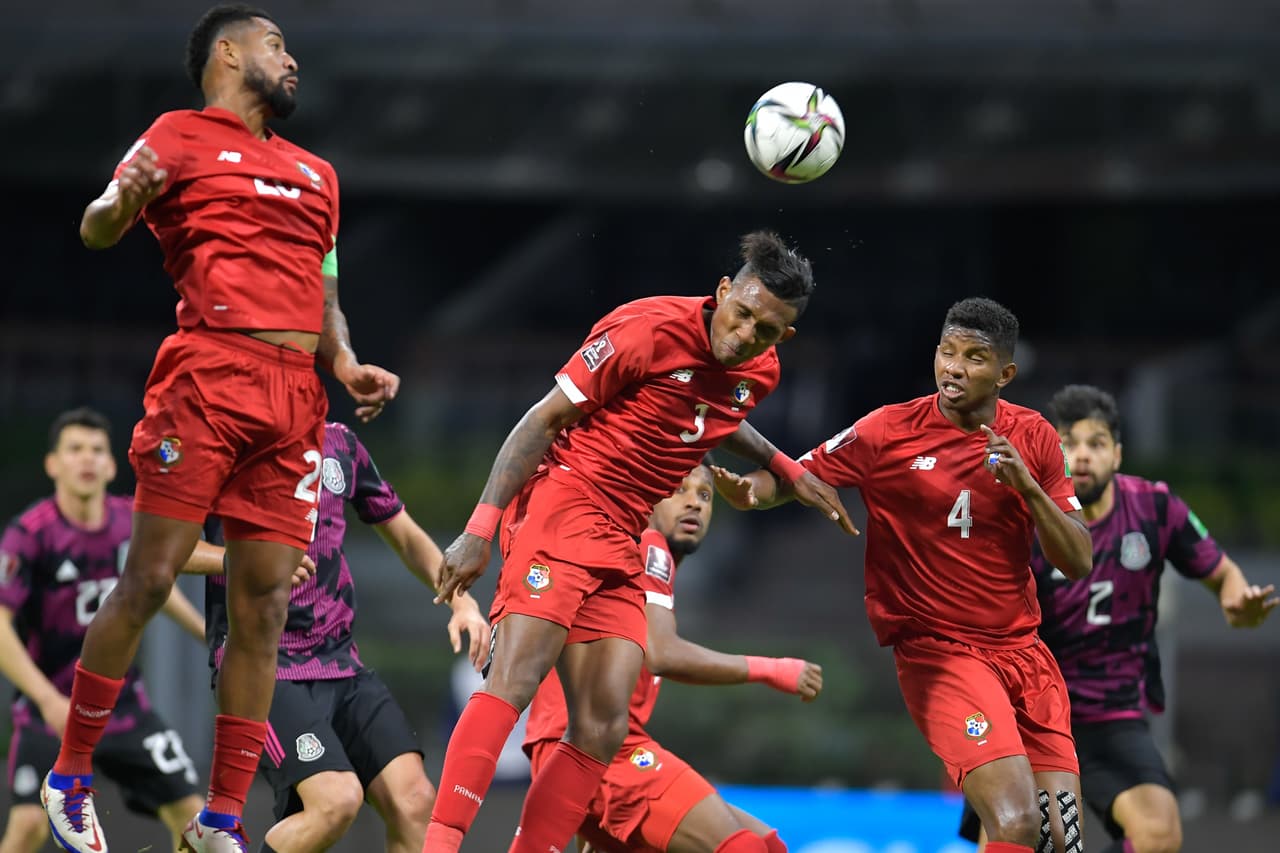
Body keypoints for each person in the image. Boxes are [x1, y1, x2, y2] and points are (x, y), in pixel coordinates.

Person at [44, 7, 400, 853]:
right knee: (151, 574)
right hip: (207, 379)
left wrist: (343, 363)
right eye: (278, 44)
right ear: (228, 52)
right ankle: (71, 775)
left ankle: (221, 818)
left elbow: (325, 292)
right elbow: (99, 227)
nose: (293, 60)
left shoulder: (319, 175)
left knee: (265, 605)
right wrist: (116, 200)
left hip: (295, 400)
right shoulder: (177, 135)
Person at [424, 230, 856, 853]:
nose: (745, 336)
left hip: (625, 532)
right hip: (565, 505)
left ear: (784, 336)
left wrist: (789, 470)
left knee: (603, 726)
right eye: (742, 316)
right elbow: (540, 420)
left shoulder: (760, 371)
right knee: (513, 682)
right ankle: (438, 845)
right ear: (723, 291)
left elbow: (718, 416)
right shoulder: (644, 329)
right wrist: (479, 530)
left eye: (765, 331)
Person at [715, 297, 1094, 853]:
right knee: (1016, 821)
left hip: (1025, 656)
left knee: (1063, 842)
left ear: (1005, 374)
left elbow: (1078, 559)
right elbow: (801, 474)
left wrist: (1029, 490)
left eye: (975, 357)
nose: (955, 367)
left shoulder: (1033, 438)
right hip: (942, 653)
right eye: (947, 352)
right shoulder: (888, 430)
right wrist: (750, 492)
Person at [957, 384, 1278, 853]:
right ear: (1048, 449)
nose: (1082, 456)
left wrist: (1238, 602)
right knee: (1026, 838)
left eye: (1097, 443)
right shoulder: (1019, 515)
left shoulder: (1155, 507)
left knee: (1159, 834)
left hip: (1113, 713)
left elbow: (1223, 574)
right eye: (1068, 442)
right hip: (1030, 711)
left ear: (1118, 453)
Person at [195, 421, 490, 853]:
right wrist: (242, 562)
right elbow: (168, 549)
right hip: (260, 665)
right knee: (335, 801)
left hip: (340, 662)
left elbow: (404, 534)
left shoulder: (341, 442)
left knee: (416, 802)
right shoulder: (228, 439)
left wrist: (461, 602)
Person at [524, 460, 822, 853]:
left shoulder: (643, 560)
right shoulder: (651, 547)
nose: (694, 504)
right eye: (678, 490)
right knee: (744, 848)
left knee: (769, 845)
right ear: (647, 500)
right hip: (601, 748)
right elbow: (661, 653)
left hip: (580, 748)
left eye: (704, 495)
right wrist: (772, 669)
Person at [0, 408, 206, 853]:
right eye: (75, 449)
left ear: (113, 465)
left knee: (196, 822)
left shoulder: (131, 520)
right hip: (50, 710)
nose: (87, 459)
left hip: (122, 702)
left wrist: (207, 633)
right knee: (28, 827)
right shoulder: (30, 535)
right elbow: (0, 627)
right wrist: (46, 699)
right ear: (53, 464)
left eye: (97, 450)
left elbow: (155, 586)